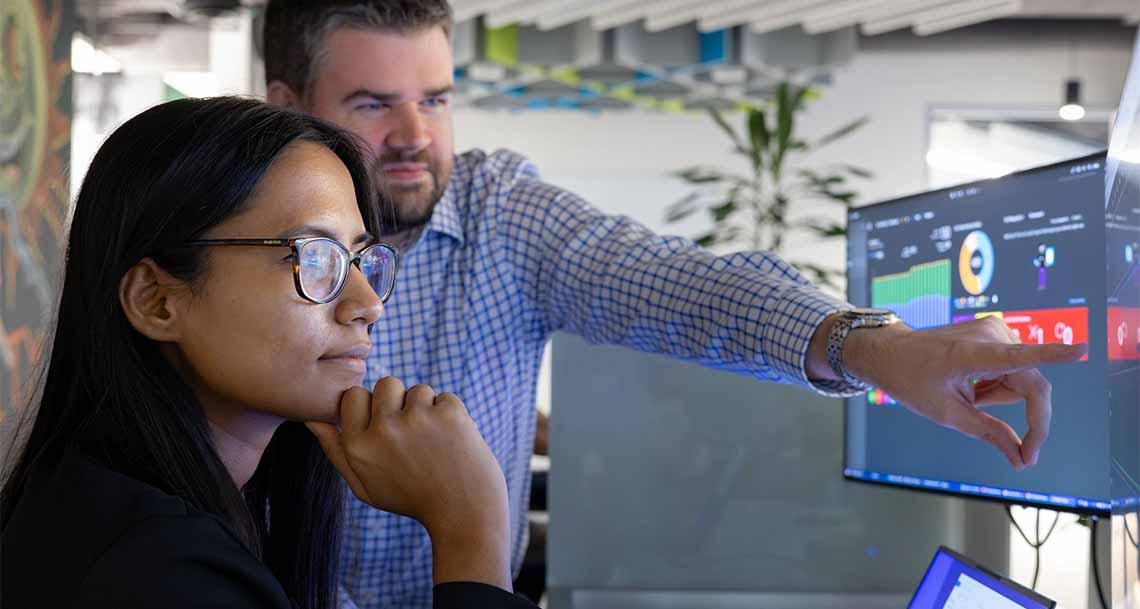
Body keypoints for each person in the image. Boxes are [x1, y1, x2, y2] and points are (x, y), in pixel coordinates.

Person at [261, 2, 1089, 607]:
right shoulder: (236, 244)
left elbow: (674, 284)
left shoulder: (498, 212)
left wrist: (875, 345)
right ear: (287, 103)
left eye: (435, 98)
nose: (415, 133)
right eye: (373, 104)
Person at [0, 96, 537, 609]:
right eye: (315, 256)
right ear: (157, 301)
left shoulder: (115, 511)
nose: (367, 303)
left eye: (359, 258)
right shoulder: (160, 571)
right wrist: (471, 533)